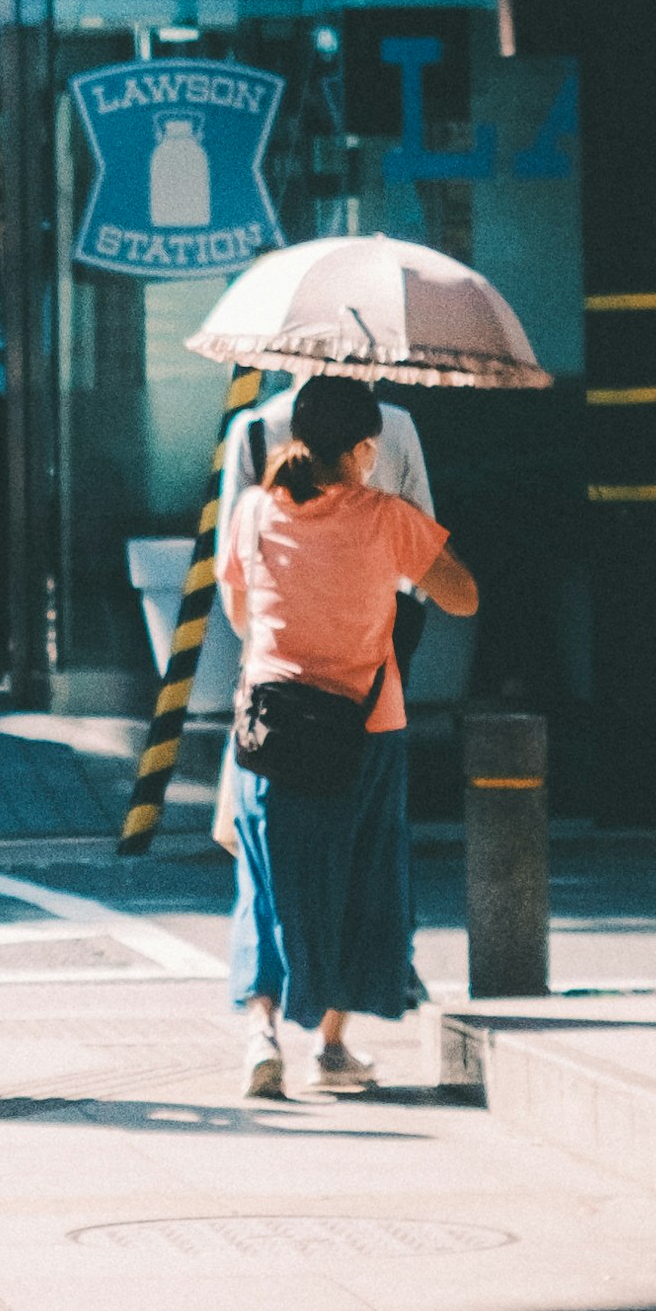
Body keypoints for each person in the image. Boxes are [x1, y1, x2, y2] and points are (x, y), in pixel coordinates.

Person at [216, 371, 478, 1104]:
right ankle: (330, 1047)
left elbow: (240, 613)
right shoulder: (385, 517)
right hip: (365, 729)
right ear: (365, 448)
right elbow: (461, 595)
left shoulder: (254, 513)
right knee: (362, 883)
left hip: (268, 730)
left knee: (266, 883)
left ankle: (261, 1032)